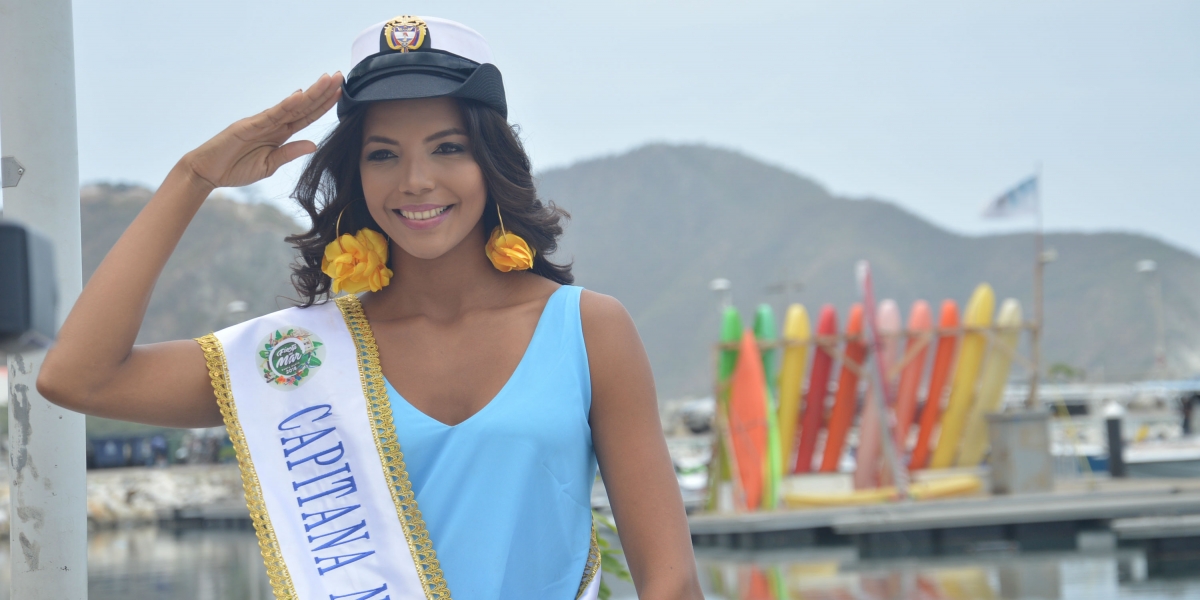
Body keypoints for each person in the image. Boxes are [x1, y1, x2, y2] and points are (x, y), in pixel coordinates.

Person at [39, 15, 701, 600]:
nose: (416, 180)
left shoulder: (587, 330)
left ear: (490, 162)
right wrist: (194, 177)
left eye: (447, 148)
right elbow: (79, 376)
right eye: (383, 155)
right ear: (355, 177)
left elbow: (670, 581)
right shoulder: (301, 359)